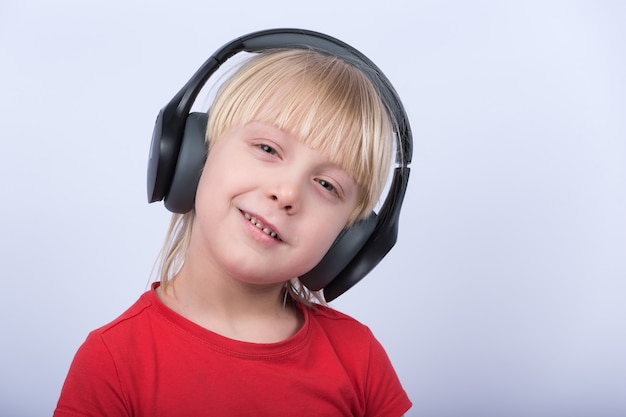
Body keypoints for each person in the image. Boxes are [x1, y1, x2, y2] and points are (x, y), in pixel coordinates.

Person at [54, 30, 412, 416]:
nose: (287, 193)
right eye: (267, 148)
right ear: (194, 157)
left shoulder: (358, 357)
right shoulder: (113, 362)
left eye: (326, 185)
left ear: (350, 240)